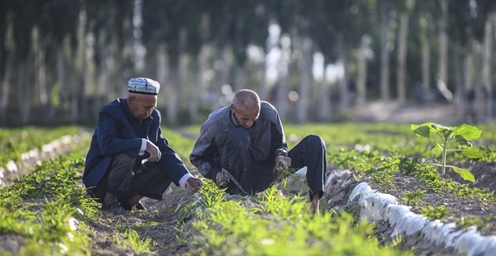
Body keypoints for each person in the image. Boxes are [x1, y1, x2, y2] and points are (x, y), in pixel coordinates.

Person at [190, 89, 326, 214]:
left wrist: (280, 155)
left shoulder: (269, 113)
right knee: (239, 135)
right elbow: (198, 157)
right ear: (233, 109)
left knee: (315, 142)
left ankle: (314, 206)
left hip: (264, 173)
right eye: (244, 119)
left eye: (254, 119)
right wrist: (215, 173)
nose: (249, 123)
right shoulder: (215, 124)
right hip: (233, 178)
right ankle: (239, 197)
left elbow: (280, 144)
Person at [83, 77, 203, 214]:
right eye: (147, 107)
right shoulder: (111, 112)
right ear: (131, 100)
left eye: (153, 107)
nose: (150, 112)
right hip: (101, 182)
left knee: (164, 162)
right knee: (125, 157)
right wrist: (142, 143)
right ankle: (110, 201)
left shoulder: (153, 116)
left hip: (128, 178)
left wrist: (187, 177)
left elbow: (162, 148)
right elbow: (107, 145)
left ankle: (130, 202)